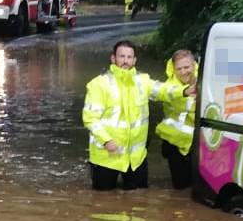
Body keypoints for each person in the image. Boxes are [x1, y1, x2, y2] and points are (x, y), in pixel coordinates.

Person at [82, 40, 193, 190]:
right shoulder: (98, 84)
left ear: (134, 60)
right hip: (106, 156)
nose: (125, 61)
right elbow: (90, 118)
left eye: (129, 57)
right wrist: (106, 140)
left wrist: (184, 91)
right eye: (122, 56)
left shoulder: (143, 81)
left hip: (136, 159)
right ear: (113, 58)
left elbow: (163, 91)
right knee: (103, 199)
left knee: (139, 198)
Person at [155, 50, 197, 190]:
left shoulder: (203, 80)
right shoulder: (170, 85)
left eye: (187, 67)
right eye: (179, 68)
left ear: (194, 65)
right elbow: (166, 92)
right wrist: (186, 92)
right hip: (175, 143)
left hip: (197, 142)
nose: (184, 72)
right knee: (180, 187)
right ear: (174, 69)